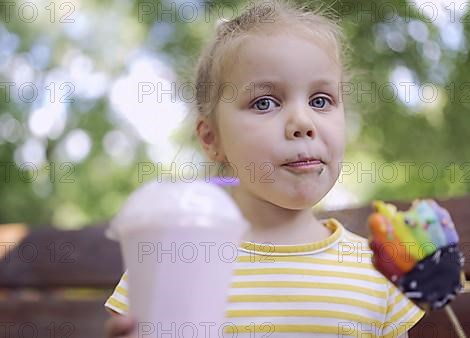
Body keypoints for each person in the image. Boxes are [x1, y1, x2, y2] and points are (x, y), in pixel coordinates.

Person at [104, 0, 425, 337]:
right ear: (212, 138)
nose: (303, 122)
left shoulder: (378, 270)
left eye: (320, 100)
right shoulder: (173, 259)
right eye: (264, 102)